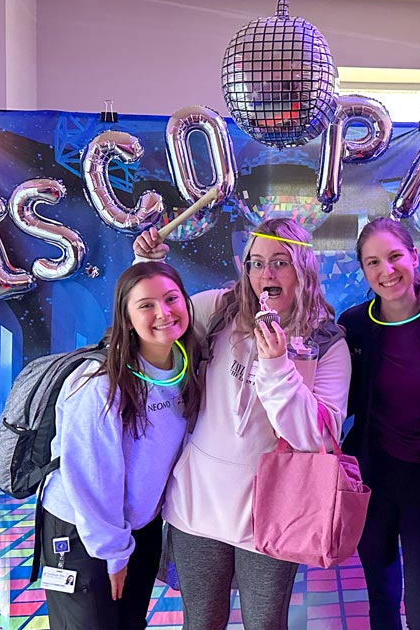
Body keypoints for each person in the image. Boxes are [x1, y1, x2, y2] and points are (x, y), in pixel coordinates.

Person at [133, 217, 351, 630]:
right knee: (200, 624)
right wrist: (148, 267)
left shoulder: (326, 341)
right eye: (256, 263)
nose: (265, 274)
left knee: (266, 625)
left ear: (302, 268)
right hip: (198, 505)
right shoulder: (219, 309)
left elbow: (317, 437)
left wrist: (277, 367)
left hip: (273, 512)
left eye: (280, 262)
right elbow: (158, 321)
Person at [39, 261, 202, 630]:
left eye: (171, 298)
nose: (164, 312)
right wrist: (113, 553)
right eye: (146, 305)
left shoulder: (182, 366)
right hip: (83, 530)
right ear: (127, 318)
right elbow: (90, 477)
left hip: (137, 528)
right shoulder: (99, 384)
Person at [337, 217, 420, 630]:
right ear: (363, 271)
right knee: (382, 600)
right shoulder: (354, 324)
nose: (385, 271)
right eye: (373, 263)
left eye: (394, 257)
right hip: (373, 477)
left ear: (413, 255)